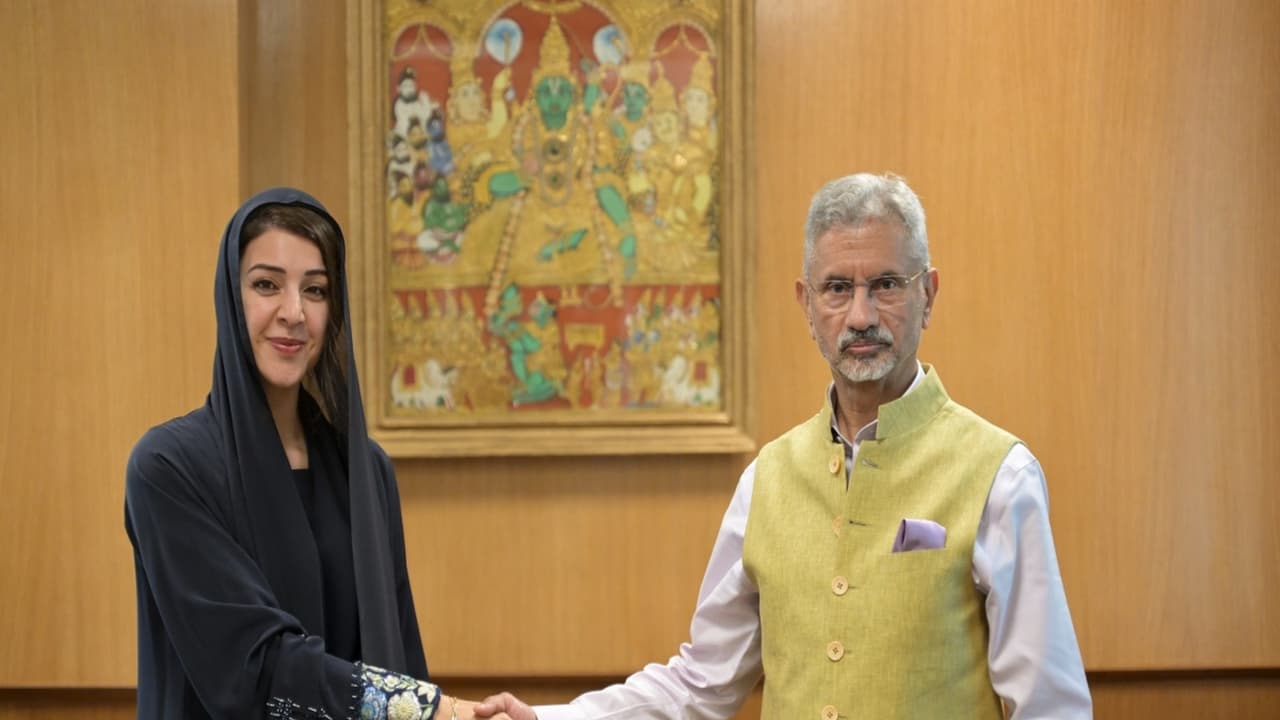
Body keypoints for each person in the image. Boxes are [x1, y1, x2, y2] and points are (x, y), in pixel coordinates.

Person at [474, 173, 1093, 719]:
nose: (859, 316)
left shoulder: (1000, 474)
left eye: (885, 285)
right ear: (806, 304)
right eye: (835, 289)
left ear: (928, 294)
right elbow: (700, 684)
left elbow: (1050, 707)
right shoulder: (767, 478)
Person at [124, 188, 510, 720]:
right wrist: (430, 710)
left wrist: (436, 710)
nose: (294, 313)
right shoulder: (169, 468)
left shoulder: (365, 470)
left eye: (317, 290)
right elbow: (256, 668)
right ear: (229, 299)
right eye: (266, 285)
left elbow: (400, 652)